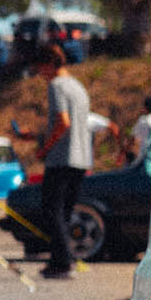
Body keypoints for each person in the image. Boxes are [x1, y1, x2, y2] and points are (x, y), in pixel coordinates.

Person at [39, 43, 92, 279]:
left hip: (61, 158)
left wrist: (45, 148)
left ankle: (62, 263)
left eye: (41, 67)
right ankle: (60, 259)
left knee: (52, 210)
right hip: (81, 158)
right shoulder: (78, 86)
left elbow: (63, 122)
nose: (40, 74)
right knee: (65, 212)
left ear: (49, 64)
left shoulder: (57, 85)